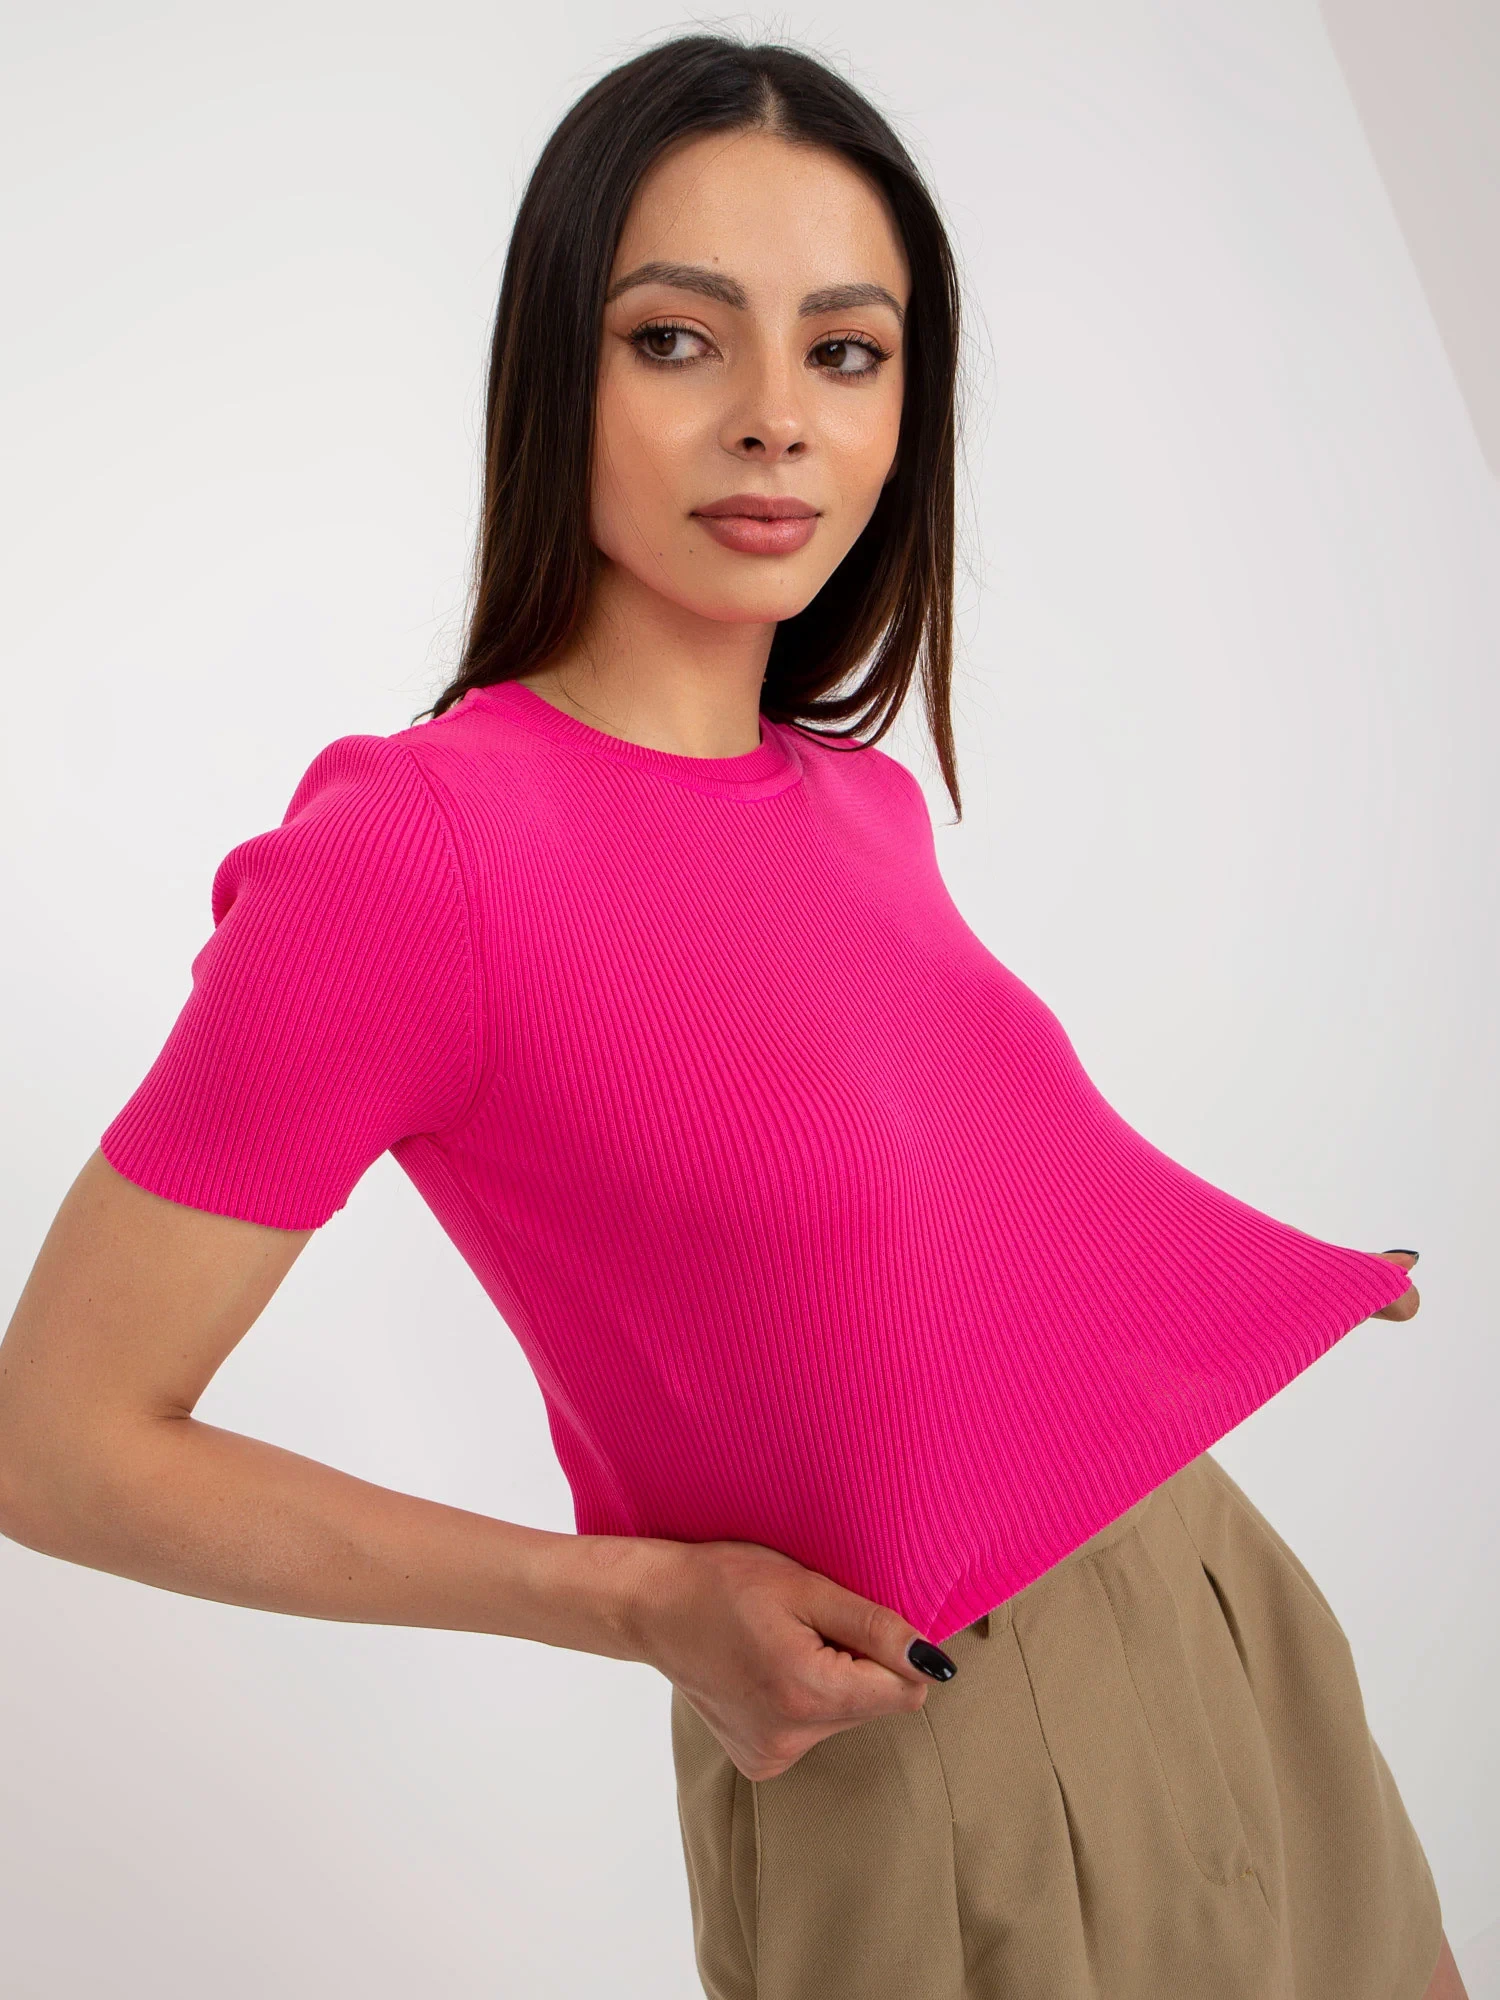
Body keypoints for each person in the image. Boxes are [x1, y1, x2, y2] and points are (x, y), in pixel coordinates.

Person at [0, 31, 1467, 2000]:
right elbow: (55, 1443)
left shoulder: (860, 804)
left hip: (1224, 1623)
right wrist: (639, 1603)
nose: (775, 419)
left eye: (846, 352)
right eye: (679, 339)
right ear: (558, 371)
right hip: (927, 1742)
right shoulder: (413, 855)